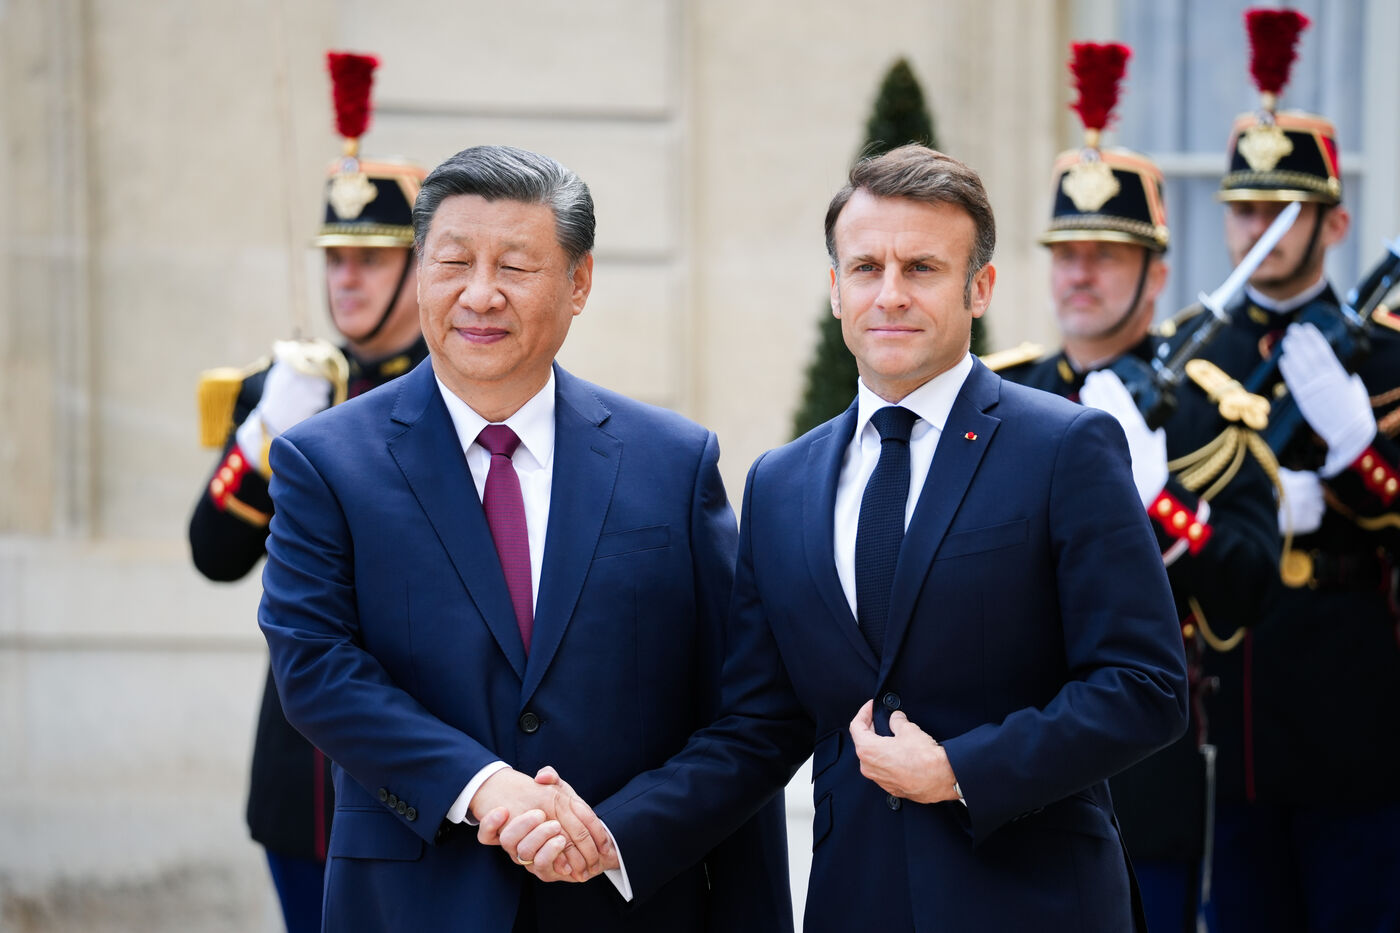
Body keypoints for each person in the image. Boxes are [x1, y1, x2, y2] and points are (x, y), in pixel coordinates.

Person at [500, 144, 1189, 932]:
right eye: (866, 268)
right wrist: (613, 832)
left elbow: (1147, 685)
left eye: (921, 268)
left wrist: (959, 770)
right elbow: (758, 728)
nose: (889, 294)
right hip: (855, 901)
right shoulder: (781, 483)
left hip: (1039, 903)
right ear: (835, 289)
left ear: (979, 288)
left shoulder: (1065, 448)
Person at [256, 144, 791, 933]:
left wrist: (616, 835)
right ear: (421, 272)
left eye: (514, 266)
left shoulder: (673, 464)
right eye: (453, 262)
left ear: (579, 282)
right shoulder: (325, 461)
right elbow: (316, 669)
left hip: (627, 903)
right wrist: (485, 787)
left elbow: (746, 712)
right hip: (413, 904)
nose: (480, 294)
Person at [988, 43, 1280, 932]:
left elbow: (1249, 589)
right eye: (1066, 252)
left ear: (1156, 275)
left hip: (1141, 767)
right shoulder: (998, 395)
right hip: (1004, 752)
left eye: (1107, 255)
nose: (1079, 273)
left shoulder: (1208, 416)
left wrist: (1156, 498)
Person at [1160, 10, 1400, 931]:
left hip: (1356, 692)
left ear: (1335, 221)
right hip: (1232, 693)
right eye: (1243, 210)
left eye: (1281, 212)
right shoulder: (1191, 353)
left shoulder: (1385, 354)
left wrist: (1354, 450)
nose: (1256, 229)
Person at [188, 52, 427, 933]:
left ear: (419, 268)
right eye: (334, 259)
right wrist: (261, 437)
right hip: (304, 779)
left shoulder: (458, 393)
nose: (345, 280)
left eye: (370, 259)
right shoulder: (284, 387)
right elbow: (213, 553)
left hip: (419, 762)